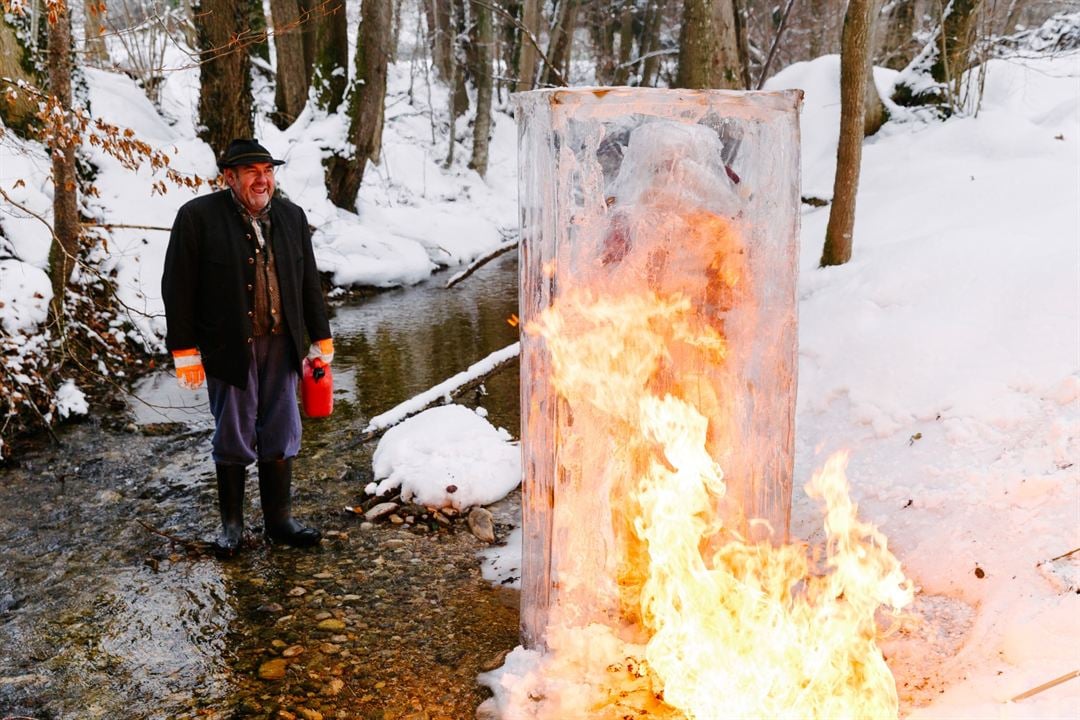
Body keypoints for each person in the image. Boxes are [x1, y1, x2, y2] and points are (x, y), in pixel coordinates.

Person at [161, 138, 333, 557]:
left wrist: (320, 336)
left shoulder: (292, 217)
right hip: (227, 347)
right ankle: (232, 527)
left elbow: (309, 280)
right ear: (230, 178)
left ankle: (279, 522)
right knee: (234, 431)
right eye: (252, 172)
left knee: (282, 428)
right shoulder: (197, 217)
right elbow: (177, 286)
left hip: (283, 343)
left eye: (268, 171)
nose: (263, 179)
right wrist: (184, 350)